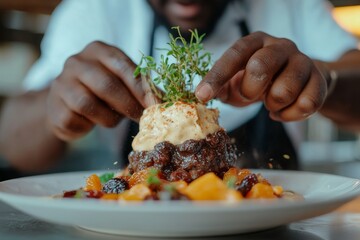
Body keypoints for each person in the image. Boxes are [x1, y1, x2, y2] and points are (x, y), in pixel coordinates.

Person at [0, 0, 359, 173]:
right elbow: (12, 142)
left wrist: (324, 77)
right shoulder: (94, 10)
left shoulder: (292, 5)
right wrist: (54, 108)